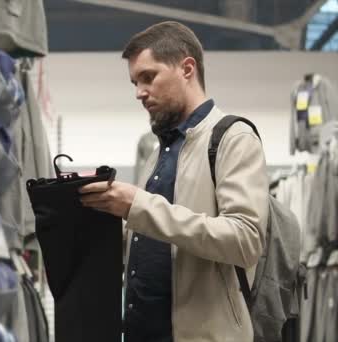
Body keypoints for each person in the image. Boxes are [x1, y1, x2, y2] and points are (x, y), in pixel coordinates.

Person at [79, 21, 269, 342]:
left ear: (187, 68)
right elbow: (154, 240)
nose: (139, 92)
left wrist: (138, 204)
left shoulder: (233, 138)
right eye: (135, 82)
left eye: (148, 77)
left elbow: (245, 240)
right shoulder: (158, 151)